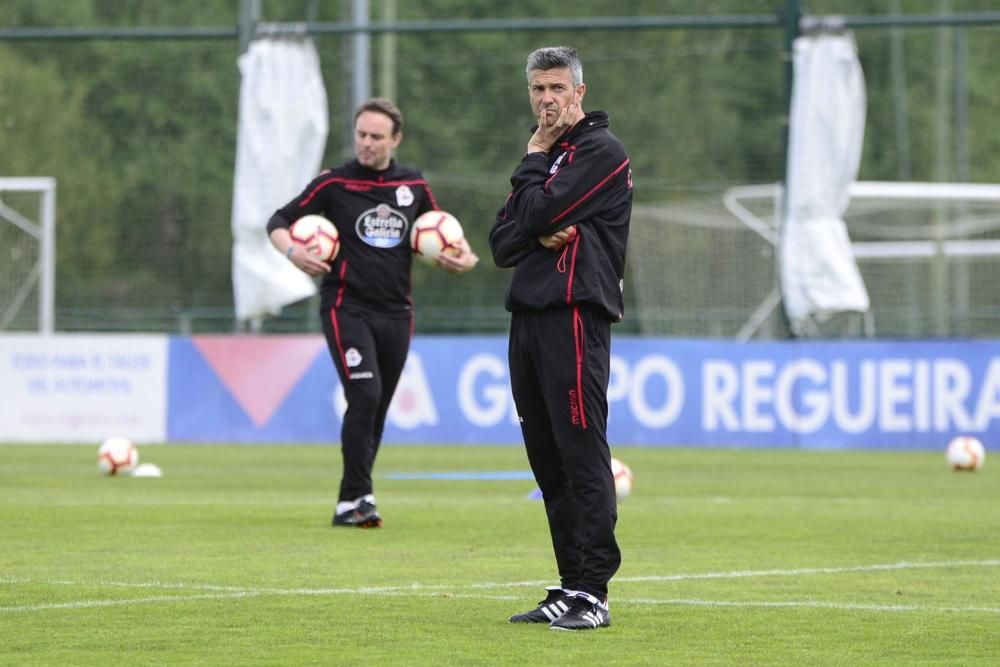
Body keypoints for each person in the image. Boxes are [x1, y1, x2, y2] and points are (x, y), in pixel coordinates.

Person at [268, 98, 479, 528]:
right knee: (363, 394)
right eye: (361, 134)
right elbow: (278, 220)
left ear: (395, 140)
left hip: (398, 313)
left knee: (377, 408)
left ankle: (352, 500)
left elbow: (445, 233)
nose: (366, 143)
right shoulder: (335, 183)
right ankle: (358, 498)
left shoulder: (412, 185)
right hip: (347, 307)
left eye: (376, 137)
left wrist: (465, 259)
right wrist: (294, 252)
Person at [489, 46, 632, 630]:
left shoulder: (600, 151)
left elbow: (539, 214)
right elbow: (502, 242)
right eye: (537, 90)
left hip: (574, 316)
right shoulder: (547, 157)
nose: (546, 100)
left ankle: (594, 590)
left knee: (579, 449)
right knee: (547, 460)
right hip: (528, 315)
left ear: (579, 92)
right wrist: (535, 217)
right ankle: (570, 583)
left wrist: (533, 175)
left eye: (556, 89)